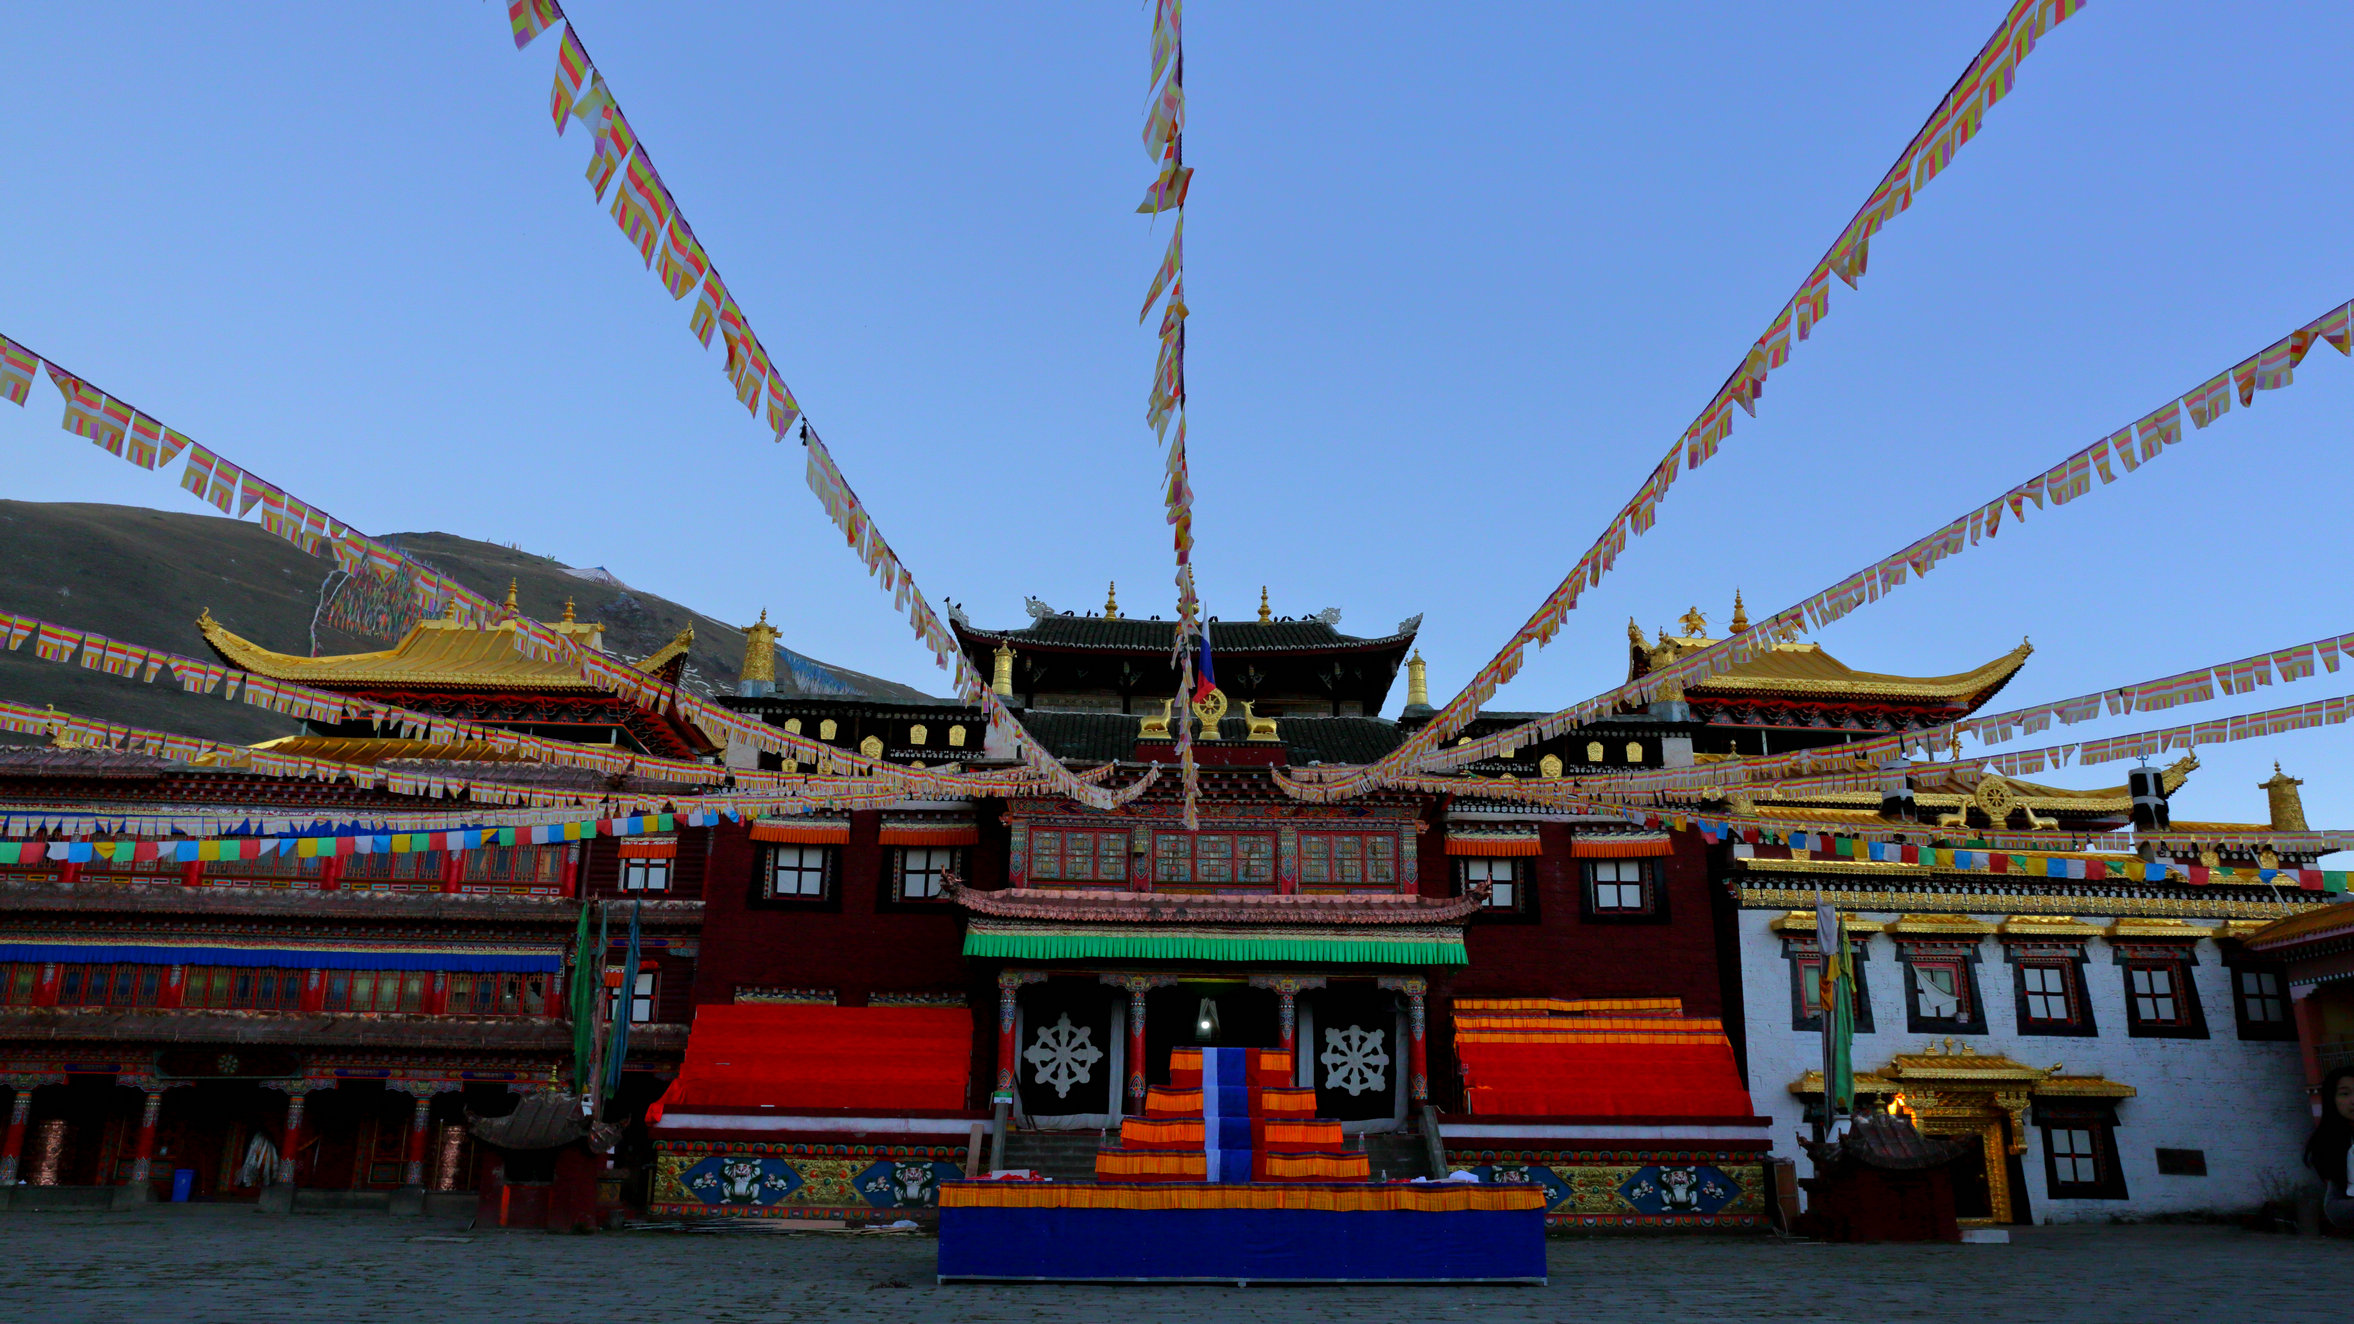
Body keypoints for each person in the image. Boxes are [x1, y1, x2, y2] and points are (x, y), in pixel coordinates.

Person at [2302, 1066, 2354, 1228]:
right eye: (2345, 1094)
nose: (2353, 1100)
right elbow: (2334, 1207)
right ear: (2332, 1100)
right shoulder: (2337, 1145)